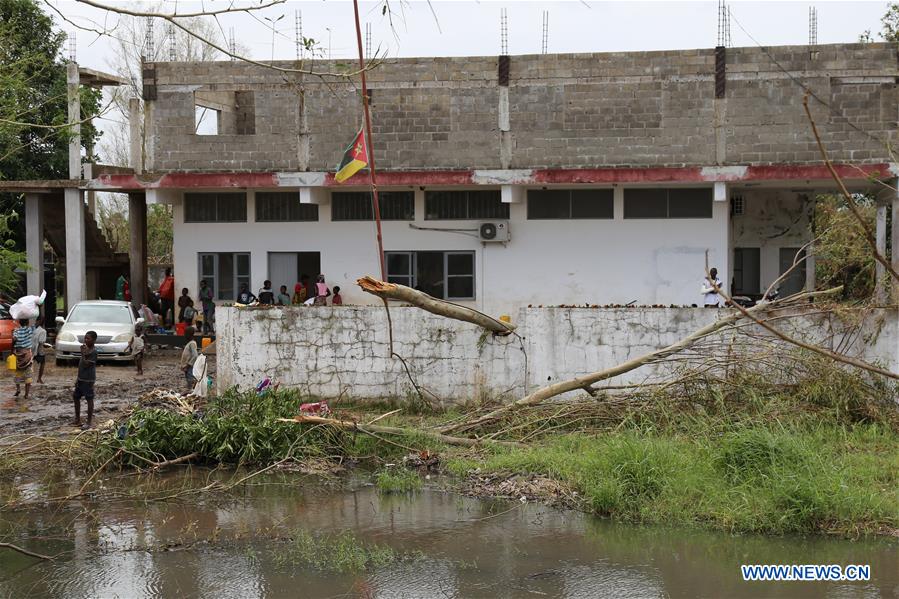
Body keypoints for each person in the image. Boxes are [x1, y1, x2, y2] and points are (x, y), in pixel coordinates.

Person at [73, 330, 98, 429]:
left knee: (89, 399)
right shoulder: (86, 349)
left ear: (94, 340)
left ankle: (89, 422)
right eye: (85, 338)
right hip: (81, 378)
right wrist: (77, 379)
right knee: (76, 397)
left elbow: (87, 364)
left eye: (88, 338)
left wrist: (83, 354)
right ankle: (77, 419)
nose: (85, 340)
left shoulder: (94, 352)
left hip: (88, 380)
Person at [12, 318, 34, 401]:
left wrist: (12, 350)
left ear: (19, 323)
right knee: (28, 373)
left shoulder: (16, 330)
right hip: (27, 354)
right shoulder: (29, 329)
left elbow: (14, 339)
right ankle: (26, 394)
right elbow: (37, 324)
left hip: (18, 353)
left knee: (18, 372)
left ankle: (18, 389)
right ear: (27, 322)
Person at [180, 326, 199, 391]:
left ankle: (192, 390)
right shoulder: (190, 343)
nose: (184, 335)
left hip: (189, 366)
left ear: (189, 334)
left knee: (190, 378)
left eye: (185, 333)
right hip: (188, 366)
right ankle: (190, 390)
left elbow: (195, 355)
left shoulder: (192, 344)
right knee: (188, 378)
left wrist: (188, 365)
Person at [32, 316, 47, 384]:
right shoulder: (43, 331)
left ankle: (29, 378)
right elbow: (41, 342)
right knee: (42, 363)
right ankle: (39, 378)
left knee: (28, 364)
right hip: (38, 350)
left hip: (30, 349)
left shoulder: (31, 328)